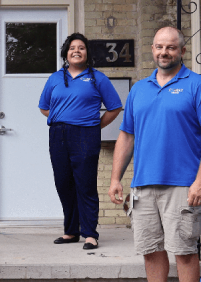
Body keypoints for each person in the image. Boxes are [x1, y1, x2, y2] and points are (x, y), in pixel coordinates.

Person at [108, 26, 201, 282]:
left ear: (182, 51)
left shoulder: (197, 86)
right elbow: (126, 135)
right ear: (153, 50)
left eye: (171, 47)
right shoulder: (139, 90)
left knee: (184, 250)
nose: (164, 52)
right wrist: (116, 178)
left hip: (183, 185)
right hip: (143, 184)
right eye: (159, 47)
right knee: (151, 249)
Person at [39, 33, 123, 250]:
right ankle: (71, 231)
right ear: (66, 53)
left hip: (86, 135)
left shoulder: (98, 78)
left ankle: (90, 234)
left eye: (81, 48)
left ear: (87, 53)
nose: (76, 51)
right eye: (72, 48)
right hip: (58, 135)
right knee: (63, 183)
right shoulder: (55, 78)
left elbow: (115, 107)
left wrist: (94, 125)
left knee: (85, 184)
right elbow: (44, 107)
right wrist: (62, 118)